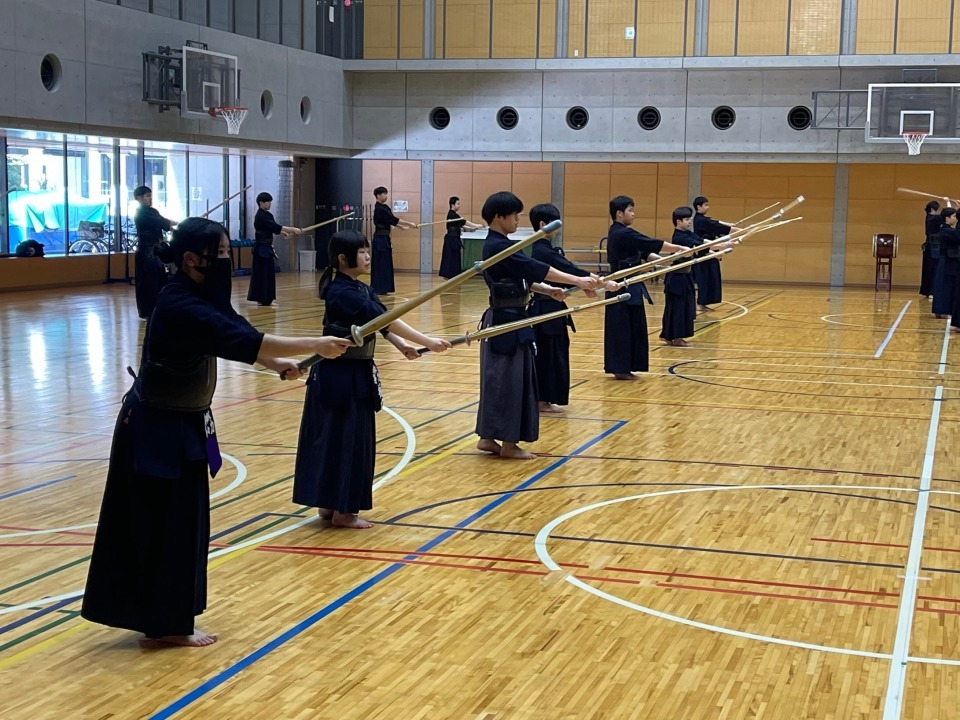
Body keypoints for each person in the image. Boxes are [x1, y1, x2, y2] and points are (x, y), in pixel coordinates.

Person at [81, 218, 352, 647]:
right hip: (155, 432)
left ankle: (171, 619)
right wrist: (315, 345)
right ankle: (165, 625)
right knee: (164, 526)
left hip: (184, 424)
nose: (228, 260)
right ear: (192, 259)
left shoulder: (203, 296)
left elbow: (238, 336)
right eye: (222, 254)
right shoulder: (179, 304)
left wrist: (274, 363)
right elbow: (242, 338)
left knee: (184, 524)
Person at [294, 230, 451, 528]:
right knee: (343, 440)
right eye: (362, 252)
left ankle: (331, 505)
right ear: (343, 259)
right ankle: (343, 511)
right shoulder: (342, 292)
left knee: (342, 438)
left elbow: (379, 325)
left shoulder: (361, 289)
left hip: (354, 374)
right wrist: (427, 341)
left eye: (368, 251)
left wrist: (402, 345)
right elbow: (386, 319)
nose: (368, 256)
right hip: (339, 377)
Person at [475, 192, 598, 459]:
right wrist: (578, 280)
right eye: (514, 215)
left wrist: (548, 290)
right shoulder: (498, 246)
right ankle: (509, 444)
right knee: (511, 380)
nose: (518, 220)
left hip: (512, 317)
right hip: (507, 321)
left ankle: (488, 437)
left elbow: (523, 278)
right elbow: (536, 268)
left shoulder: (502, 245)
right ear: (499, 217)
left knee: (501, 379)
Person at [527, 203, 614, 413]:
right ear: (543, 224)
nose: (559, 229)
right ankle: (542, 400)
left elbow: (565, 274)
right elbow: (569, 269)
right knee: (548, 354)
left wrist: (586, 285)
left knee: (554, 353)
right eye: (556, 224)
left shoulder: (545, 249)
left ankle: (546, 399)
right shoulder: (542, 250)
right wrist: (599, 281)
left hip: (553, 306)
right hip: (545, 311)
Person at [604, 195, 686, 380]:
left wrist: (663, 261)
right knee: (622, 329)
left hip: (632, 286)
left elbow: (643, 252)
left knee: (634, 327)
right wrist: (679, 249)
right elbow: (650, 243)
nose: (633, 214)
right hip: (620, 287)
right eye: (630, 210)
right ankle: (620, 368)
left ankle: (629, 366)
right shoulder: (620, 233)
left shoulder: (624, 233)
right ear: (619, 213)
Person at [660, 207, 735, 347]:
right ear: (678, 221)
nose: (689, 222)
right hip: (677, 278)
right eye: (686, 219)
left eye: (690, 219)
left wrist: (719, 248)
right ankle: (676, 338)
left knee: (683, 307)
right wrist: (722, 246)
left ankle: (669, 335)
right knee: (678, 308)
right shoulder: (679, 237)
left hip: (685, 276)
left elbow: (702, 241)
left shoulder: (687, 233)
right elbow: (699, 247)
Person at [248, 192, 302, 307]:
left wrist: (283, 232)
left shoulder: (268, 215)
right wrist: (293, 229)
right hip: (261, 249)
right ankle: (262, 298)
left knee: (268, 274)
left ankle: (267, 298)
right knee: (262, 274)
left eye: (270, 202)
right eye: (267, 202)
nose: (269, 204)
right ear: (261, 203)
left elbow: (273, 228)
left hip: (267, 247)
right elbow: (276, 227)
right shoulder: (260, 216)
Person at [133, 185, 176, 320]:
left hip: (156, 250)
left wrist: (177, 226)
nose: (150, 199)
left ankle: (159, 309)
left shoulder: (152, 211)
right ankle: (149, 311)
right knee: (149, 282)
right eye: (147, 196)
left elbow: (165, 224)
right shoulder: (141, 213)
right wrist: (183, 224)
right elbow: (164, 223)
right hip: (146, 251)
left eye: (150, 196)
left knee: (159, 280)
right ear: (139, 198)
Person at [692, 196, 740, 312]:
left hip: (711, 251)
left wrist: (730, 225)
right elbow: (716, 226)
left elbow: (715, 222)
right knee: (704, 279)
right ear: (699, 207)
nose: (708, 207)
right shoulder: (700, 220)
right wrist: (739, 230)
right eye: (705, 205)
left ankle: (704, 303)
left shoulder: (703, 219)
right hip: (704, 253)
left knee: (711, 278)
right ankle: (699, 304)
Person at [371, 186, 417, 295]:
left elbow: (391, 220)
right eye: (384, 194)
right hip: (380, 239)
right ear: (378, 196)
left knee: (386, 263)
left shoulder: (385, 207)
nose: (386, 196)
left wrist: (401, 227)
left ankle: (386, 287)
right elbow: (393, 219)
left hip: (385, 238)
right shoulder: (379, 209)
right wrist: (409, 223)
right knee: (381, 263)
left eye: (386, 194)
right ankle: (379, 287)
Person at [438, 196, 484, 279]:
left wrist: (471, 229)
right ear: (452, 205)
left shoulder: (454, 215)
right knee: (451, 257)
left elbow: (461, 225)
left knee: (455, 257)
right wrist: (477, 225)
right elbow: (465, 222)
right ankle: (450, 275)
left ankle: (453, 275)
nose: (459, 205)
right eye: (458, 204)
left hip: (454, 239)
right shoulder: (452, 215)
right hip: (451, 239)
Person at [935, 206, 960, 324]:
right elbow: (958, 235)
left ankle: (944, 310)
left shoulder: (948, 229)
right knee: (945, 287)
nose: (956, 218)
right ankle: (942, 310)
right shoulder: (946, 230)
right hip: (946, 262)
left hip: (950, 261)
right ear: (947, 218)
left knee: (949, 286)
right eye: (954, 216)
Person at [921, 200, 941, 300]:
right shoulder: (934, 219)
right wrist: (948, 201)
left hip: (930, 248)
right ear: (933, 209)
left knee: (929, 270)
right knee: (933, 270)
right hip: (933, 248)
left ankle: (928, 291)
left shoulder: (929, 217)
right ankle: (931, 291)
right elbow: (947, 214)